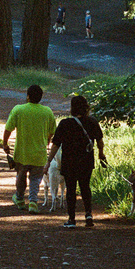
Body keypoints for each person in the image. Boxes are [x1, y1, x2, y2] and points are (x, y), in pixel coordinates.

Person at [45, 95, 106, 228]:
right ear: (86, 107)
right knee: (85, 187)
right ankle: (89, 215)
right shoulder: (92, 122)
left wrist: (49, 161)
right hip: (86, 161)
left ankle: (72, 219)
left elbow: (55, 145)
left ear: (72, 108)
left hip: (69, 162)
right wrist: (101, 154)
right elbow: (100, 142)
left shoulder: (65, 124)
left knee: (71, 189)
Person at [3, 84, 57, 214]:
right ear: (40, 97)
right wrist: (47, 139)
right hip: (39, 153)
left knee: (21, 176)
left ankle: (20, 199)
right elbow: (52, 131)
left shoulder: (18, 109)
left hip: (22, 153)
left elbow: (8, 128)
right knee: (35, 179)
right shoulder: (47, 112)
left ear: (27, 96)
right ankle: (33, 202)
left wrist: (5, 143)